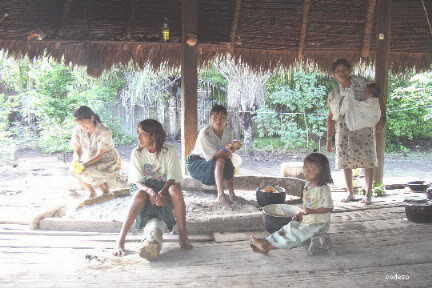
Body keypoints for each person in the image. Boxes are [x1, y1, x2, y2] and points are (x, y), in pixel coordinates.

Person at [113, 119, 192, 257]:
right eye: (138, 133)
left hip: (165, 186)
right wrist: (149, 191)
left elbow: (173, 177)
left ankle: (183, 234)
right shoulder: (137, 153)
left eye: (142, 134)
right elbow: (136, 182)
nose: (138, 137)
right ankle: (120, 240)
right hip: (143, 186)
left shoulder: (169, 151)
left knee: (176, 189)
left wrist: (161, 192)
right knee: (139, 195)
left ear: (153, 136)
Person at [249, 153, 334, 254]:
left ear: (323, 172)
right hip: (308, 219)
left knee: (295, 234)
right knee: (289, 228)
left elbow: (328, 208)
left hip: (319, 223)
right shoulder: (308, 185)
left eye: (312, 169)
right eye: (305, 168)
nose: (307, 171)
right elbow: (308, 206)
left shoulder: (323, 189)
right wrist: (301, 214)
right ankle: (267, 242)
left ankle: (267, 246)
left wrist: (311, 211)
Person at [326, 58, 378, 205]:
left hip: (362, 127)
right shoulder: (334, 94)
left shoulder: (361, 84)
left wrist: (370, 95)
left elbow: (373, 99)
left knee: (367, 159)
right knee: (345, 160)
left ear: (349, 71)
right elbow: (331, 116)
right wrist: (328, 139)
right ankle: (350, 193)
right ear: (333, 75)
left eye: (343, 70)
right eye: (337, 71)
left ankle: (368, 194)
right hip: (343, 128)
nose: (341, 73)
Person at [186, 105, 241, 208]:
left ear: (226, 120)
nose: (218, 121)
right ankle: (220, 195)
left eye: (222, 118)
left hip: (213, 162)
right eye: (215, 118)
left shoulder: (228, 132)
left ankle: (232, 194)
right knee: (221, 160)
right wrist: (231, 148)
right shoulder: (205, 133)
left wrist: (232, 147)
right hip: (196, 163)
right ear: (210, 119)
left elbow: (228, 154)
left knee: (228, 162)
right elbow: (217, 155)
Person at [70, 106, 121, 199]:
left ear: (92, 118)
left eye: (84, 123)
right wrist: (76, 160)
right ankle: (91, 192)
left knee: (86, 171)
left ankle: (106, 191)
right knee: (73, 170)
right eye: (80, 124)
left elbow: (100, 154)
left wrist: (84, 165)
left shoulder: (104, 131)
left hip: (107, 160)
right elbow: (77, 149)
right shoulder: (78, 129)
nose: (83, 127)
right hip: (91, 158)